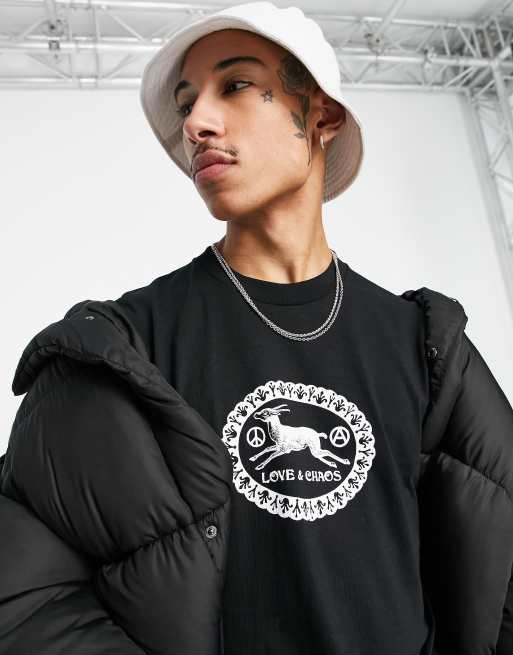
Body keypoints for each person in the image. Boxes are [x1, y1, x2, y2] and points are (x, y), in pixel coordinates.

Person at [1, 3, 512, 655]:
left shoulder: (427, 347)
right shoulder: (119, 348)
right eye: (186, 103)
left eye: (236, 84)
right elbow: (24, 594)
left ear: (321, 116)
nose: (196, 123)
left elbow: (500, 563)